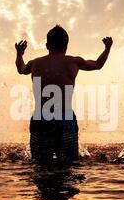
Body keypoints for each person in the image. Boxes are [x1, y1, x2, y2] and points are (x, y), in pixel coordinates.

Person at [15, 25, 113, 163]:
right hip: (65, 119)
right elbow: (97, 64)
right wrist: (107, 49)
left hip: (41, 118)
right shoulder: (74, 61)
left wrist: (19, 53)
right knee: (69, 164)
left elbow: (20, 68)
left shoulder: (35, 63)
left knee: (39, 165)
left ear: (47, 45)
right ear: (66, 46)